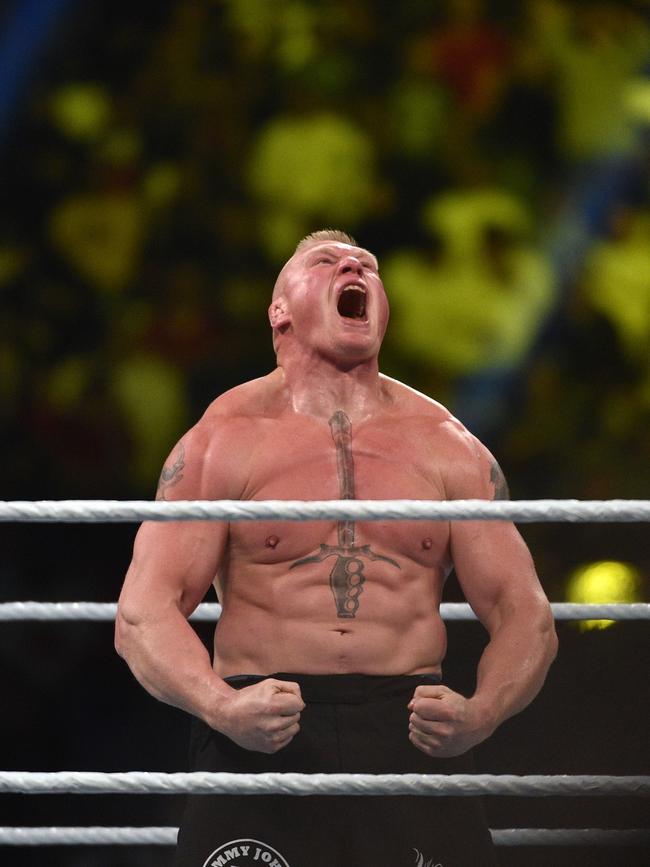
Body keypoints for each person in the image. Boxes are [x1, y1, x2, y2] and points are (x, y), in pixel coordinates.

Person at [115, 229, 558, 866]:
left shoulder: (449, 446)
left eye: (367, 266)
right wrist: (223, 706)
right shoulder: (223, 439)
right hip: (261, 725)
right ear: (280, 311)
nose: (353, 264)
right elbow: (141, 615)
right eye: (325, 261)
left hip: (409, 727)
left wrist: (482, 713)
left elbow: (527, 616)